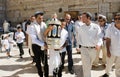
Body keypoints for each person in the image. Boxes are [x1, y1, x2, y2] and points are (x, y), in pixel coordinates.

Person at [77, 12, 102, 77]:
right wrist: (78, 46)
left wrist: (99, 44)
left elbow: (100, 37)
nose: (81, 18)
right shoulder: (81, 28)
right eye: (81, 17)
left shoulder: (96, 27)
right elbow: (78, 37)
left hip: (93, 49)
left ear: (88, 18)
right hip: (84, 49)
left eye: (83, 17)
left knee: (89, 65)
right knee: (86, 66)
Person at [27, 11, 48, 77]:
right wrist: (43, 44)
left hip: (44, 45)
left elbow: (46, 34)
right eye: (39, 18)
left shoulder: (44, 24)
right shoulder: (32, 26)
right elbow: (34, 39)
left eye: (42, 18)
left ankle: (46, 75)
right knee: (38, 63)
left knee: (45, 62)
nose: (41, 20)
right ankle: (41, 75)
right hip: (36, 46)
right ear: (35, 18)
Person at [103, 13, 120, 77]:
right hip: (112, 51)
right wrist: (108, 51)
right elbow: (108, 40)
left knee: (118, 66)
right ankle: (107, 74)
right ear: (114, 20)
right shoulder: (110, 28)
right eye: (116, 19)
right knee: (109, 64)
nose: (117, 20)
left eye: (119, 18)